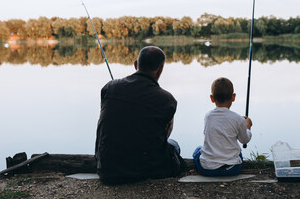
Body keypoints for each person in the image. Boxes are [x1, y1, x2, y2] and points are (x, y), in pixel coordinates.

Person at [95, 46, 186, 184]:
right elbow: (165, 134)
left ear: (136, 64)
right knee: (174, 145)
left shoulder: (110, 87)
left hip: (107, 170)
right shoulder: (167, 100)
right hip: (147, 171)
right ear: (160, 69)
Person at [193, 77, 253, 176]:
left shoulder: (208, 116)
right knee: (239, 154)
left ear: (212, 98)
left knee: (198, 150)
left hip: (207, 169)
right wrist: (247, 126)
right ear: (233, 97)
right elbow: (245, 140)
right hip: (231, 169)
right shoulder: (238, 119)